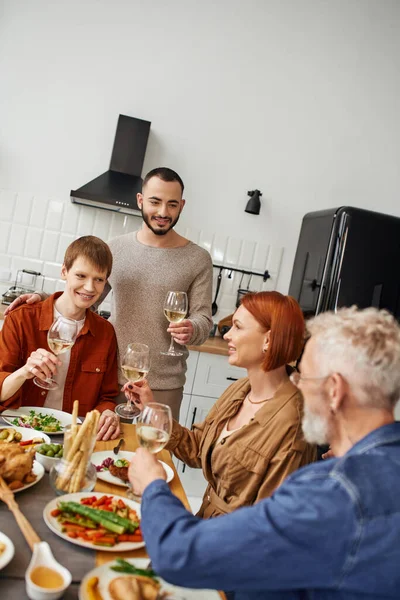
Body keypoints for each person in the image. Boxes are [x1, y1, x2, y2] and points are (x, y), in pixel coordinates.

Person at [128, 306, 400, 599]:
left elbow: (177, 553)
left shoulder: (329, 492)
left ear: (334, 390)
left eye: (304, 378)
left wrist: (153, 485)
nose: (297, 387)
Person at [5, 167, 213, 421]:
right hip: (111, 380)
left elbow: (203, 318)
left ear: (181, 205)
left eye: (171, 205)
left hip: (163, 384)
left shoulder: (198, 259)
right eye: (155, 202)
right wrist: (44, 299)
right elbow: (87, 298)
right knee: (107, 454)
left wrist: (193, 327)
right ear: (140, 200)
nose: (162, 212)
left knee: (153, 452)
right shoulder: (116, 248)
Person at [125, 291, 317, 517]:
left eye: (238, 326)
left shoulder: (293, 426)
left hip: (229, 542)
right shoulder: (241, 389)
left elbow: (269, 525)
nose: (226, 335)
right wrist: (151, 407)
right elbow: (196, 450)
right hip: (203, 521)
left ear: (269, 340)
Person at [0, 236, 120, 441]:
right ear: (64, 271)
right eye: (81, 275)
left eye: (98, 279)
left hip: (72, 437)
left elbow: (107, 397)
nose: (90, 288)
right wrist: (24, 372)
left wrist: (109, 413)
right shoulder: (21, 319)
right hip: (17, 432)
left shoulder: (105, 333)